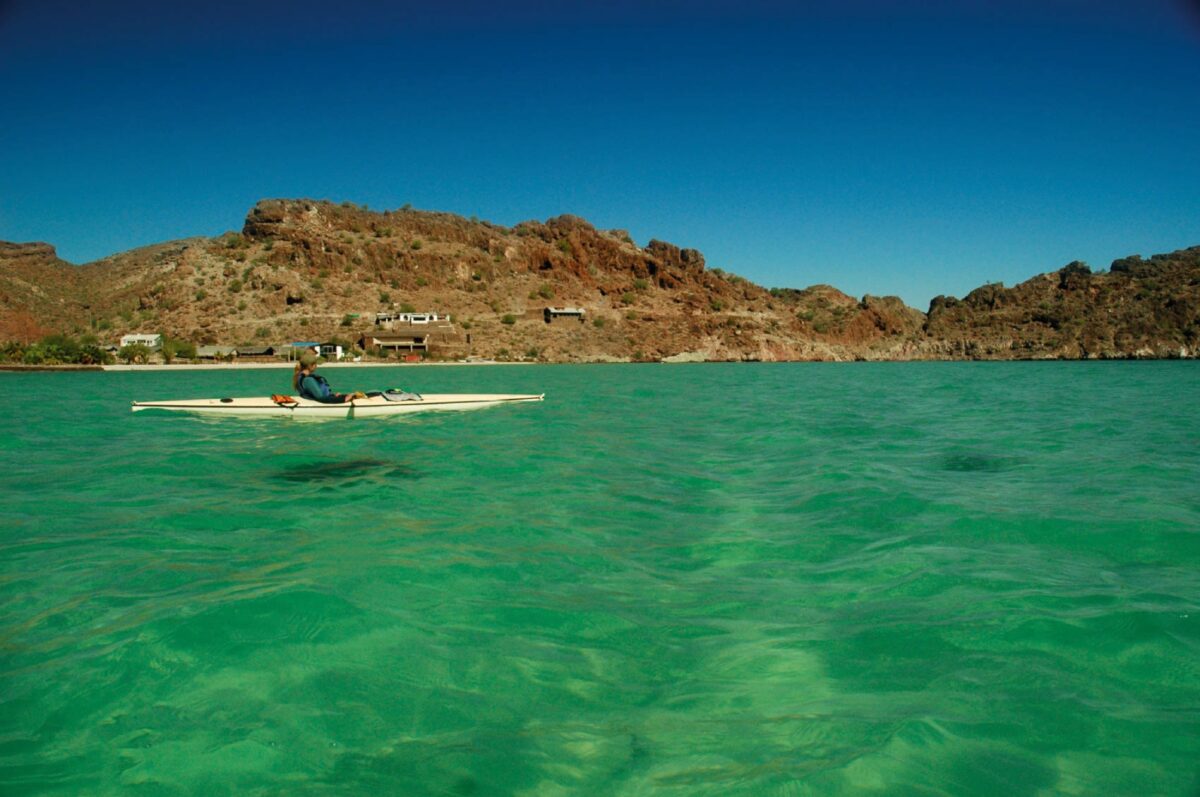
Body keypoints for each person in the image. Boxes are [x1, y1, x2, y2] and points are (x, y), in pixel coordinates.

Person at [292, 351, 366, 403]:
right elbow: (321, 398)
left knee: (351, 395)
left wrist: (333, 396)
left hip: (320, 400)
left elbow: (314, 394)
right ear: (311, 366)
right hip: (321, 403)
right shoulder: (308, 380)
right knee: (348, 396)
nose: (317, 366)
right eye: (316, 364)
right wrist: (343, 399)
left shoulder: (301, 376)